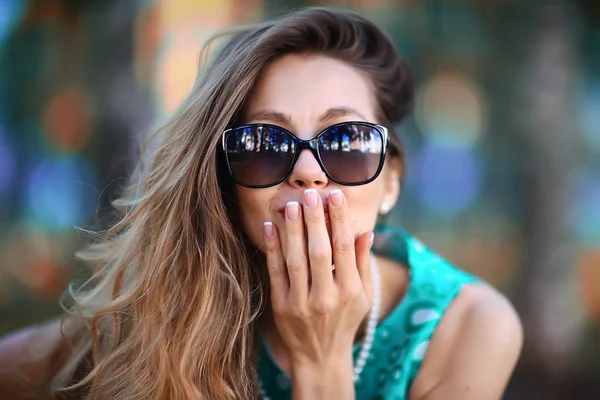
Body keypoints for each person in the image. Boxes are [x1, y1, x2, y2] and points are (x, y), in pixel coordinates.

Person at [0, 7, 523, 400]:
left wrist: (322, 362)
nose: (307, 171)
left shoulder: (468, 326)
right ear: (223, 184)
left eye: (345, 142)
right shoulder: (180, 300)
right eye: (263, 145)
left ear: (390, 182)